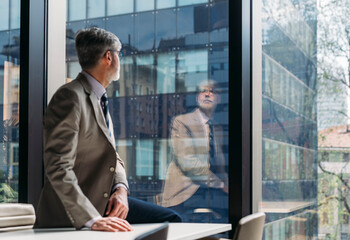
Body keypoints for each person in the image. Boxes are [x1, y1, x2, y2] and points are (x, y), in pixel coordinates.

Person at [34, 27, 181, 232]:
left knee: (170, 220)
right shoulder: (70, 97)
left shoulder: (99, 97)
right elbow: (57, 166)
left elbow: (112, 154)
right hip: (75, 212)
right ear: (109, 57)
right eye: (119, 55)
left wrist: (120, 188)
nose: (120, 60)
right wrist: (91, 219)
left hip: (105, 202)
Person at [160, 80, 228, 222]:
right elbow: (187, 162)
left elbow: (219, 164)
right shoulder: (182, 121)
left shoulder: (217, 128)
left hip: (211, 194)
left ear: (219, 99)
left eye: (212, 91)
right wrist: (221, 184)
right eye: (203, 91)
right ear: (197, 97)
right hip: (185, 195)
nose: (207, 94)